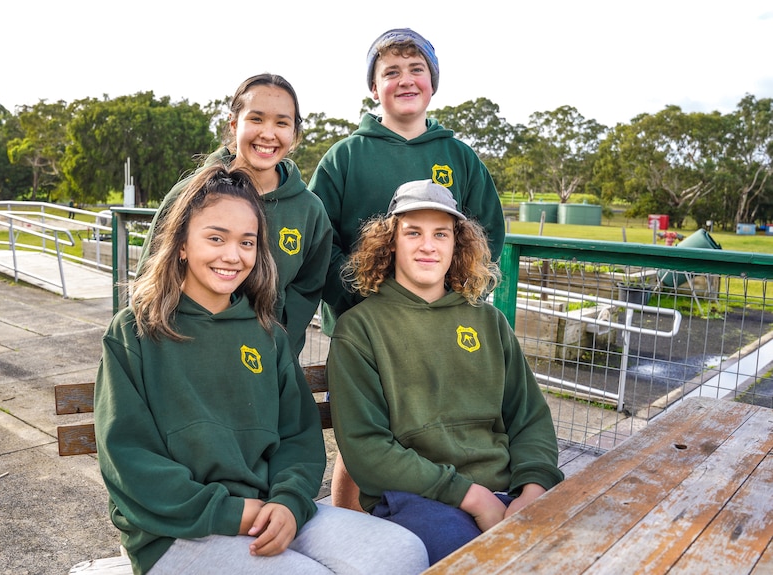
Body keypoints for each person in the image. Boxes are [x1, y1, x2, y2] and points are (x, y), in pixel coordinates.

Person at [94, 166, 429, 575]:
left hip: (269, 506)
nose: (232, 255)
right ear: (181, 243)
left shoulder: (266, 333)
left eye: (246, 242)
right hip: (175, 529)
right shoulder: (135, 331)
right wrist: (234, 513)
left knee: (403, 551)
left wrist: (288, 502)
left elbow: (298, 436)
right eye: (215, 238)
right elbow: (129, 456)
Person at [309, 26, 506, 509]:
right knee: (362, 438)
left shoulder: (457, 156)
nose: (405, 80)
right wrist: (361, 297)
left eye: (416, 69)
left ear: (433, 83)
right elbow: (318, 241)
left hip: (439, 322)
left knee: (428, 422)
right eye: (390, 72)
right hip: (368, 324)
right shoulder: (346, 156)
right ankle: (350, 528)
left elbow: (486, 235)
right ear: (374, 88)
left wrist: (455, 296)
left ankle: (433, 510)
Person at [326, 180, 563, 566]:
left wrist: (533, 491)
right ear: (391, 243)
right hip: (418, 498)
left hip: (509, 490)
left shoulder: (489, 321)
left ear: (457, 244)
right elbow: (366, 449)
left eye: (441, 233)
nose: (428, 245)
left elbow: (529, 418)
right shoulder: (359, 330)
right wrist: (473, 497)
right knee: (480, 563)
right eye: (413, 232)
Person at [137, 73, 331, 356]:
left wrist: (274, 346)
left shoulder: (310, 211)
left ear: (294, 134)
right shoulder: (190, 194)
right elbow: (150, 278)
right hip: (184, 353)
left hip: (261, 366)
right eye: (256, 119)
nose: (267, 133)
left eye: (281, 123)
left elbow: (307, 290)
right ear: (233, 124)